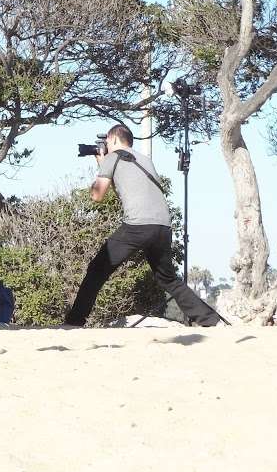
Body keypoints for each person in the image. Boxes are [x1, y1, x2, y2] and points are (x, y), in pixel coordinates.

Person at [65, 124, 221, 328]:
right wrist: (104, 163)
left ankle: (74, 321)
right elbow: (127, 186)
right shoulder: (145, 160)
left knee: (96, 270)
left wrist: (102, 165)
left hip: (137, 225)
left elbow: (97, 196)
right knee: (168, 279)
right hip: (163, 226)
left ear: (112, 140)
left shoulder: (113, 157)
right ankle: (210, 320)